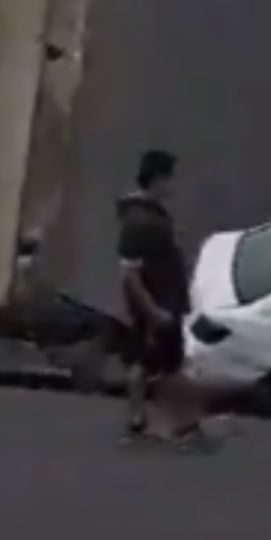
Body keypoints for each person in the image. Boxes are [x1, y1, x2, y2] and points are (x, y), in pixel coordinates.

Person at [117, 149, 205, 446]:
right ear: (156, 180)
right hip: (159, 309)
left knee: (144, 363)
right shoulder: (140, 223)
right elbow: (129, 274)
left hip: (158, 307)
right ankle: (185, 426)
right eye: (169, 179)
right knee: (172, 367)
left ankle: (137, 419)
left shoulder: (145, 215)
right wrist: (154, 313)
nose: (173, 185)